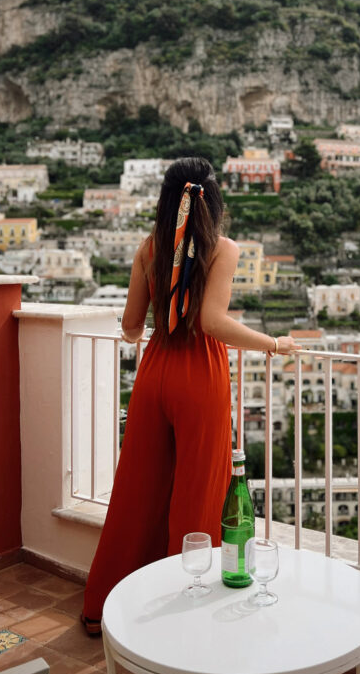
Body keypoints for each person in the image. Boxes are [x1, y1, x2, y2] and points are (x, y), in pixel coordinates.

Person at [81, 156, 300, 634]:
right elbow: (212, 323)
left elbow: (130, 327)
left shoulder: (148, 247)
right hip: (199, 374)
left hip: (155, 370)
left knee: (138, 490)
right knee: (198, 494)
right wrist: (275, 344)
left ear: (166, 201)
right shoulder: (224, 249)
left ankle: (103, 609)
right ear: (213, 199)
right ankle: (181, 621)